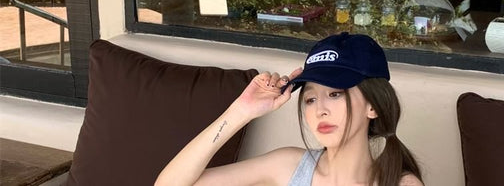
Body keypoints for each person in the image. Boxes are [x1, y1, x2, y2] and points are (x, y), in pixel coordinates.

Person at [155, 32, 424, 186]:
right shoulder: (288, 166)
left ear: (373, 106)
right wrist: (241, 111)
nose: (320, 110)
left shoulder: (401, 183)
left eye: (335, 94)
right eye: (310, 99)